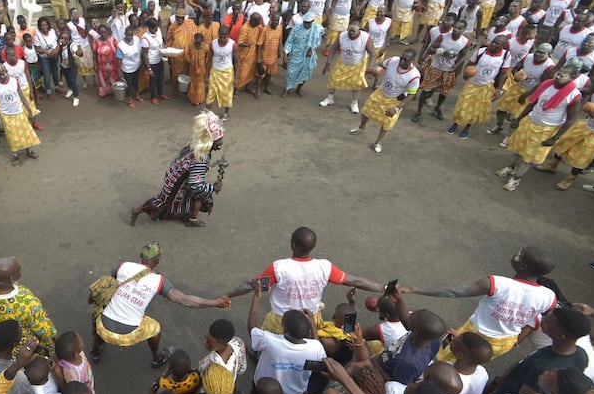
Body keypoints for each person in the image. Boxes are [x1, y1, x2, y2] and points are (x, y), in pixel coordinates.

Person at [404, 246, 558, 362]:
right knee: (470, 361)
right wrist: (518, 339)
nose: (514, 255)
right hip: (504, 343)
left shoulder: (498, 284)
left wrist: (413, 289)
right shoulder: (549, 296)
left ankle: (430, 375)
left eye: (519, 256)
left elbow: (455, 292)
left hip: (473, 334)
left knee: (443, 358)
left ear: (523, 266)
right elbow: (537, 318)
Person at [90, 241, 230, 366]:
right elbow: (185, 300)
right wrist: (214, 302)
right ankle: (157, 357)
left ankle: (96, 351)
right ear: (156, 262)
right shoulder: (158, 280)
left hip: (103, 327)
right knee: (155, 329)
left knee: (104, 312)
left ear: (141, 256)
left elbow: (108, 284)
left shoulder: (123, 266)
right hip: (129, 334)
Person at [228, 226, 383, 333]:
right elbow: (355, 281)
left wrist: (228, 295)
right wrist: (384, 287)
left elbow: (253, 285)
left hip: (281, 320)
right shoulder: (325, 267)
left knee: (270, 342)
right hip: (310, 318)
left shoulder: (279, 268)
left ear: (292, 244)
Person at [129, 110, 226, 227]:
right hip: (176, 180)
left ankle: (192, 219)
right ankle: (136, 211)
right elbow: (195, 186)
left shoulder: (197, 144)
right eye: (218, 140)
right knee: (163, 202)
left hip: (180, 172)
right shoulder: (201, 158)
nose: (221, 142)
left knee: (200, 194)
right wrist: (212, 188)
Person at [497, 65, 583, 191]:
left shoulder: (574, 96)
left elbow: (570, 120)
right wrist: (519, 118)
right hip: (529, 122)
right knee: (516, 148)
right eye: (558, 73)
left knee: (528, 158)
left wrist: (555, 138)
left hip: (546, 130)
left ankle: (516, 179)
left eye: (562, 75)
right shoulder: (547, 84)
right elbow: (533, 103)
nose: (557, 77)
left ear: (572, 77)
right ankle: (510, 168)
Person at [536, 77, 594, 190]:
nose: (591, 88)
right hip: (586, 125)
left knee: (582, 156)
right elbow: (583, 90)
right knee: (564, 142)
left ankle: (570, 179)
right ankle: (552, 165)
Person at [0, 256, 57, 351]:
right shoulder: (26, 302)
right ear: (11, 278)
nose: (20, 269)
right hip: (23, 350)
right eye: (19, 269)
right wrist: (56, 340)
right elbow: (44, 329)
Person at [354, 49, 421, 153]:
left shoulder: (414, 76)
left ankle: (378, 142)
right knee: (366, 111)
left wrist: (396, 108)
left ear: (412, 60)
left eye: (406, 60)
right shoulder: (393, 60)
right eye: (401, 58)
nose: (402, 61)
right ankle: (362, 127)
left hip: (393, 100)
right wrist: (376, 70)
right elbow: (382, 65)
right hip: (380, 93)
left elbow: (412, 94)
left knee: (387, 123)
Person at [446, 35, 512, 139]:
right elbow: (469, 64)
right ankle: (455, 124)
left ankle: (467, 127)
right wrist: (466, 74)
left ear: (502, 46)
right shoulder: (480, 52)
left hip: (486, 86)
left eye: (497, 43)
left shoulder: (506, 56)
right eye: (493, 42)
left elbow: (503, 73)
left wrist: (499, 89)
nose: (493, 44)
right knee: (462, 104)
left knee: (475, 109)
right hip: (472, 83)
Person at [0, 63, 40, 166]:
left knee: (26, 133)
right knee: (12, 136)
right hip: (7, 115)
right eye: (0, 74)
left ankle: (29, 151)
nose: (4, 75)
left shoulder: (14, 81)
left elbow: (22, 97)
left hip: (19, 112)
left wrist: (29, 110)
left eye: (5, 72)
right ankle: (16, 156)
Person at [412, 19, 470, 123]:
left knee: (444, 92)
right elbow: (430, 49)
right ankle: (419, 111)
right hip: (435, 67)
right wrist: (436, 51)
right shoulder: (443, 37)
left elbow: (463, 54)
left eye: (459, 28)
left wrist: (456, 65)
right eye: (455, 27)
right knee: (425, 90)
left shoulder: (464, 42)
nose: (455, 29)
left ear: (463, 30)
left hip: (449, 70)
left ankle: (437, 108)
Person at [319, 20, 376, 113]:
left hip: (358, 63)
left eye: (354, 31)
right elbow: (332, 49)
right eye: (350, 31)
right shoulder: (342, 36)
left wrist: (370, 68)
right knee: (333, 78)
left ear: (359, 31)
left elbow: (372, 53)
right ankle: (330, 98)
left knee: (357, 83)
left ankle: (354, 103)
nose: (351, 33)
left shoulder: (365, 37)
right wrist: (328, 63)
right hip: (343, 61)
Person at [282, 12, 323, 97]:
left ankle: (299, 88)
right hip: (296, 54)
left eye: (308, 23)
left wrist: (312, 49)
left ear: (312, 22)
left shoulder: (317, 29)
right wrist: (286, 53)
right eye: (305, 22)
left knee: (304, 72)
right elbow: (290, 41)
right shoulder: (297, 28)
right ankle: (287, 88)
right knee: (290, 72)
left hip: (307, 55)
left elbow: (318, 42)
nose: (306, 24)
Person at [205, 26, 237, 119]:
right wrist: (206, 75)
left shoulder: (233, 45)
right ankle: (207, 112)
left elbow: (237, 62)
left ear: (228, 35)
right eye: (221, 36)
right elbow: (209, 60)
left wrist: (236, 78)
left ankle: (226, 113)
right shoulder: (213, 44)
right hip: (215, 71)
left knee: (227, 94)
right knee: (211, 92)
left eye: (225, 37)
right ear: (218, 34)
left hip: (227, 73)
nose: (222, 39)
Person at [167, 9, 198, 96]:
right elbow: (169, 40)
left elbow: (196, 34)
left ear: (184, 18)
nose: (180, 19)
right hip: (177, 55)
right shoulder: (173, 27)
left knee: (188, 72)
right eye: (178, 17)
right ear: (175, 17)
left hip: (188, 53)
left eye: (181, 18)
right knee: (176, 72)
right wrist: (169, 55)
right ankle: (175, 89)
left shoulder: (190, 24)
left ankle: (187, 89)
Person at [92, 24, 120, 100]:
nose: (103, 34)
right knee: (102, 80)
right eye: (101, 32)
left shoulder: (113, 40)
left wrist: (119, 64)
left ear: (107, 31)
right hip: (102, 66)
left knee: (114, 78)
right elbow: (94, 54)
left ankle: (115, 92)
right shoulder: (96, 42)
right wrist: (95, 64)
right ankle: (103, 93)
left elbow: (118, 52)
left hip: (113, 65)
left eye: (104, 32)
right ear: (99, 33)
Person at [184, 32, 210, 106]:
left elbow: (208, 58)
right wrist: (190, 61)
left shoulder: (206, 47)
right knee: (193, 83)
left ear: (202, 40)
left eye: (199, 43)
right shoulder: (190, 46)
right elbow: (187, 55)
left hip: (202, 69)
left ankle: (199, 99)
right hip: (192, 68)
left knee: (200, 84)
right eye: (196, 43)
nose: (197, 45)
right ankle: (192, 99)